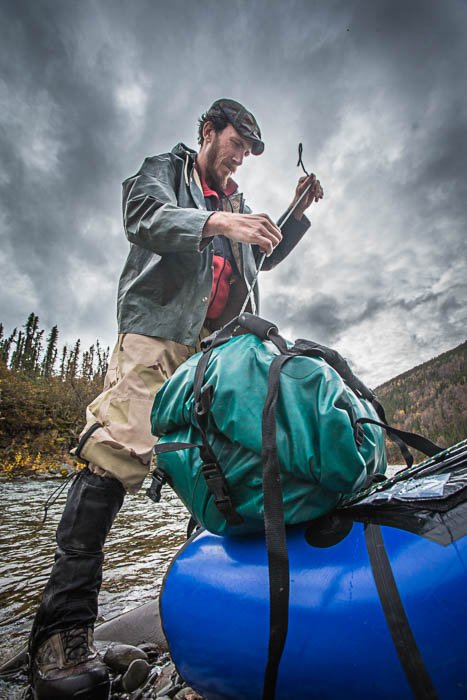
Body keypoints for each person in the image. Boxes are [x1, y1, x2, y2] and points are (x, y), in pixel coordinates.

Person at [28, 98, 323, 699]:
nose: (240, 158)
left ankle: (210, 605)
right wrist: (218, 223)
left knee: (224, 468)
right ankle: (60, 635)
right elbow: (143, 215)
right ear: (208, 131)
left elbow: (263, 252)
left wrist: (295, 209)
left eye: (247, 151)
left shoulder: (237, 203)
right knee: (114, 458)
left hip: (217, 351)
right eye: (236, 143)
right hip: (157, 335)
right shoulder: (168, 170)